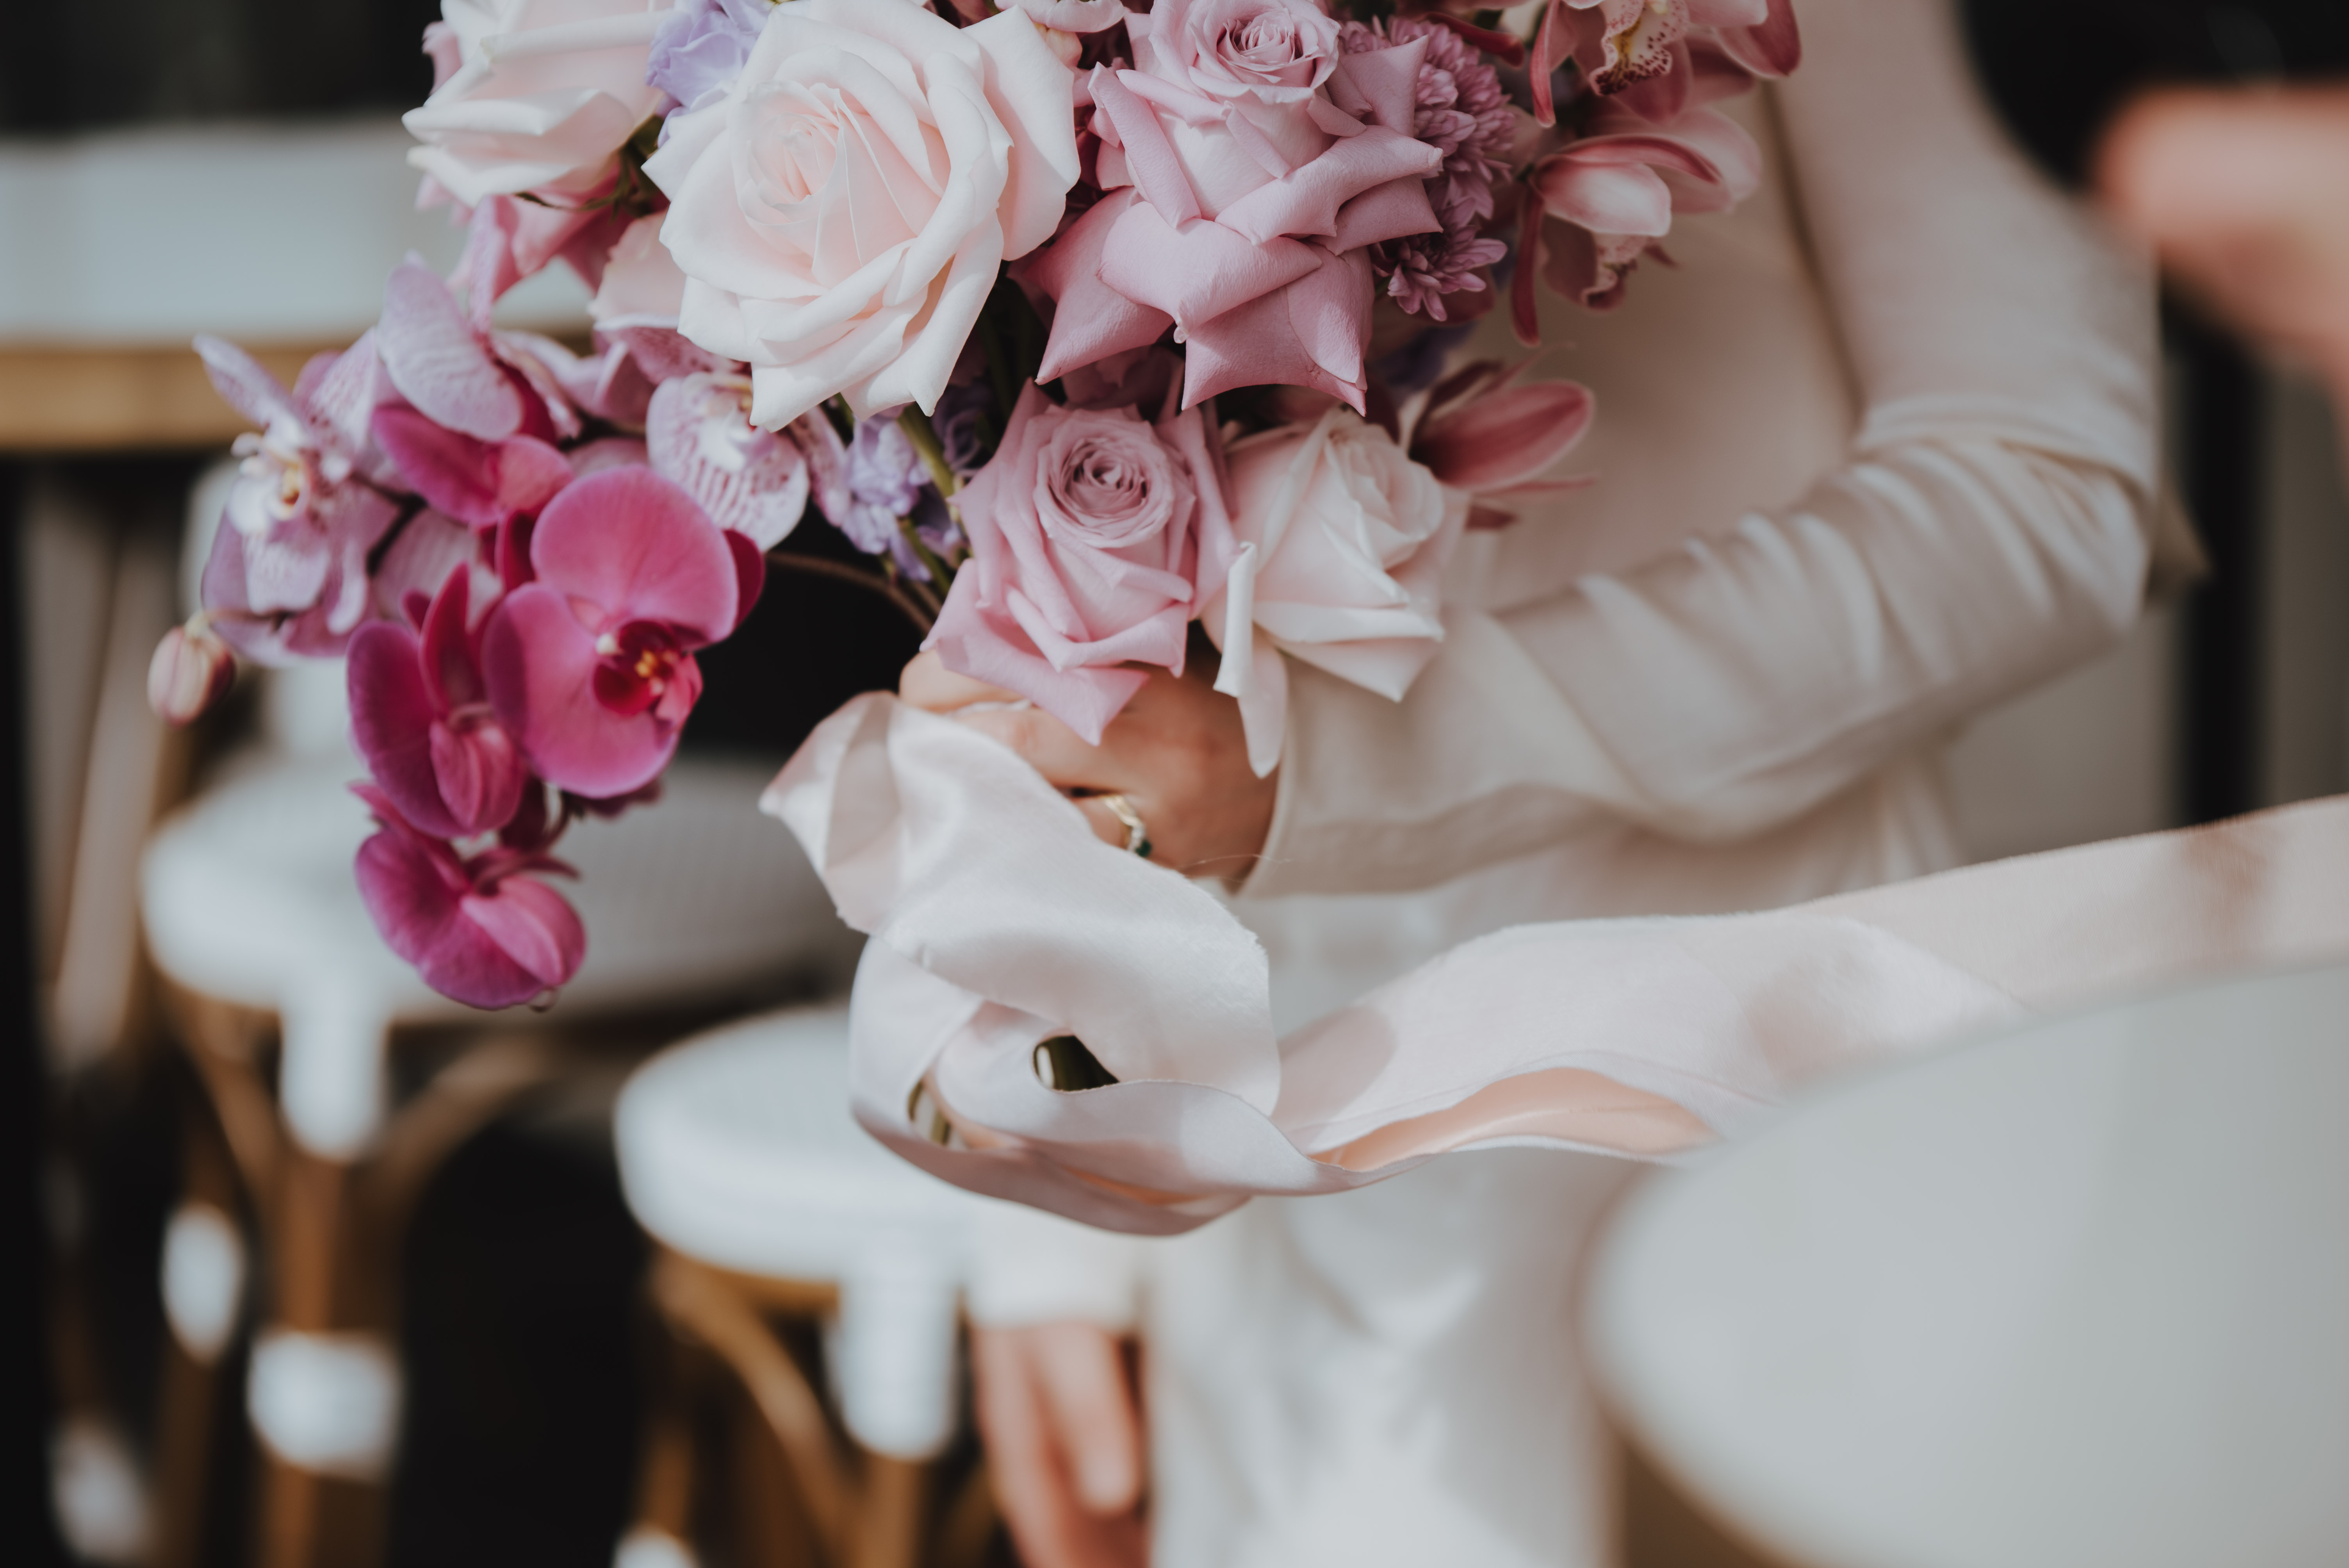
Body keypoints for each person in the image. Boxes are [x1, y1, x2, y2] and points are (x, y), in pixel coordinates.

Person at [903, 0, 2174, 1561]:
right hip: (1248, 1103)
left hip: (1721, 1059)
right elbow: (1028, 467)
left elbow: (2039, 489)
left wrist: (1344, 771)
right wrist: (1058, 1222)